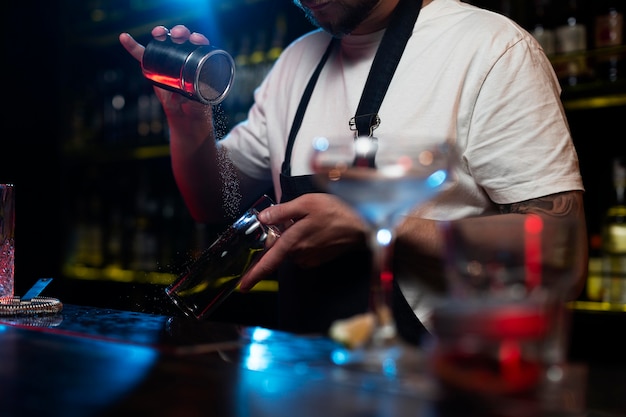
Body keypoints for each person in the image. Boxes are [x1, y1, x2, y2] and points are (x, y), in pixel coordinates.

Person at [119, 0, 588, 344]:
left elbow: (562, 247)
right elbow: (213, 201)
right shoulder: (295, 63)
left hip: (442, 378)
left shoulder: (490, 49)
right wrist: (190, 128)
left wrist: (376, 225)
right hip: (306, 372)